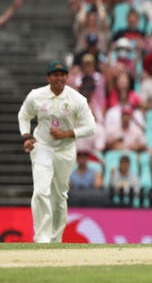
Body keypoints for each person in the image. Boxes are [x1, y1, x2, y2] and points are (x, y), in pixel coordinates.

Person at [17, 61, 96, 243]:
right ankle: (42, 238)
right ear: (49, 77)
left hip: (65, 150)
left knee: (59, 195)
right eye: (55, 74)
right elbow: (24, 115)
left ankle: (55, 238)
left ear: (67, 77)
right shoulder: (36, 95)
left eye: (62, 75)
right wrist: (26, 136)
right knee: (41, 191)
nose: (59, 78)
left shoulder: (76, 99)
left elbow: (91, 127)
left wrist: (67, 133)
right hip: (42, 147)